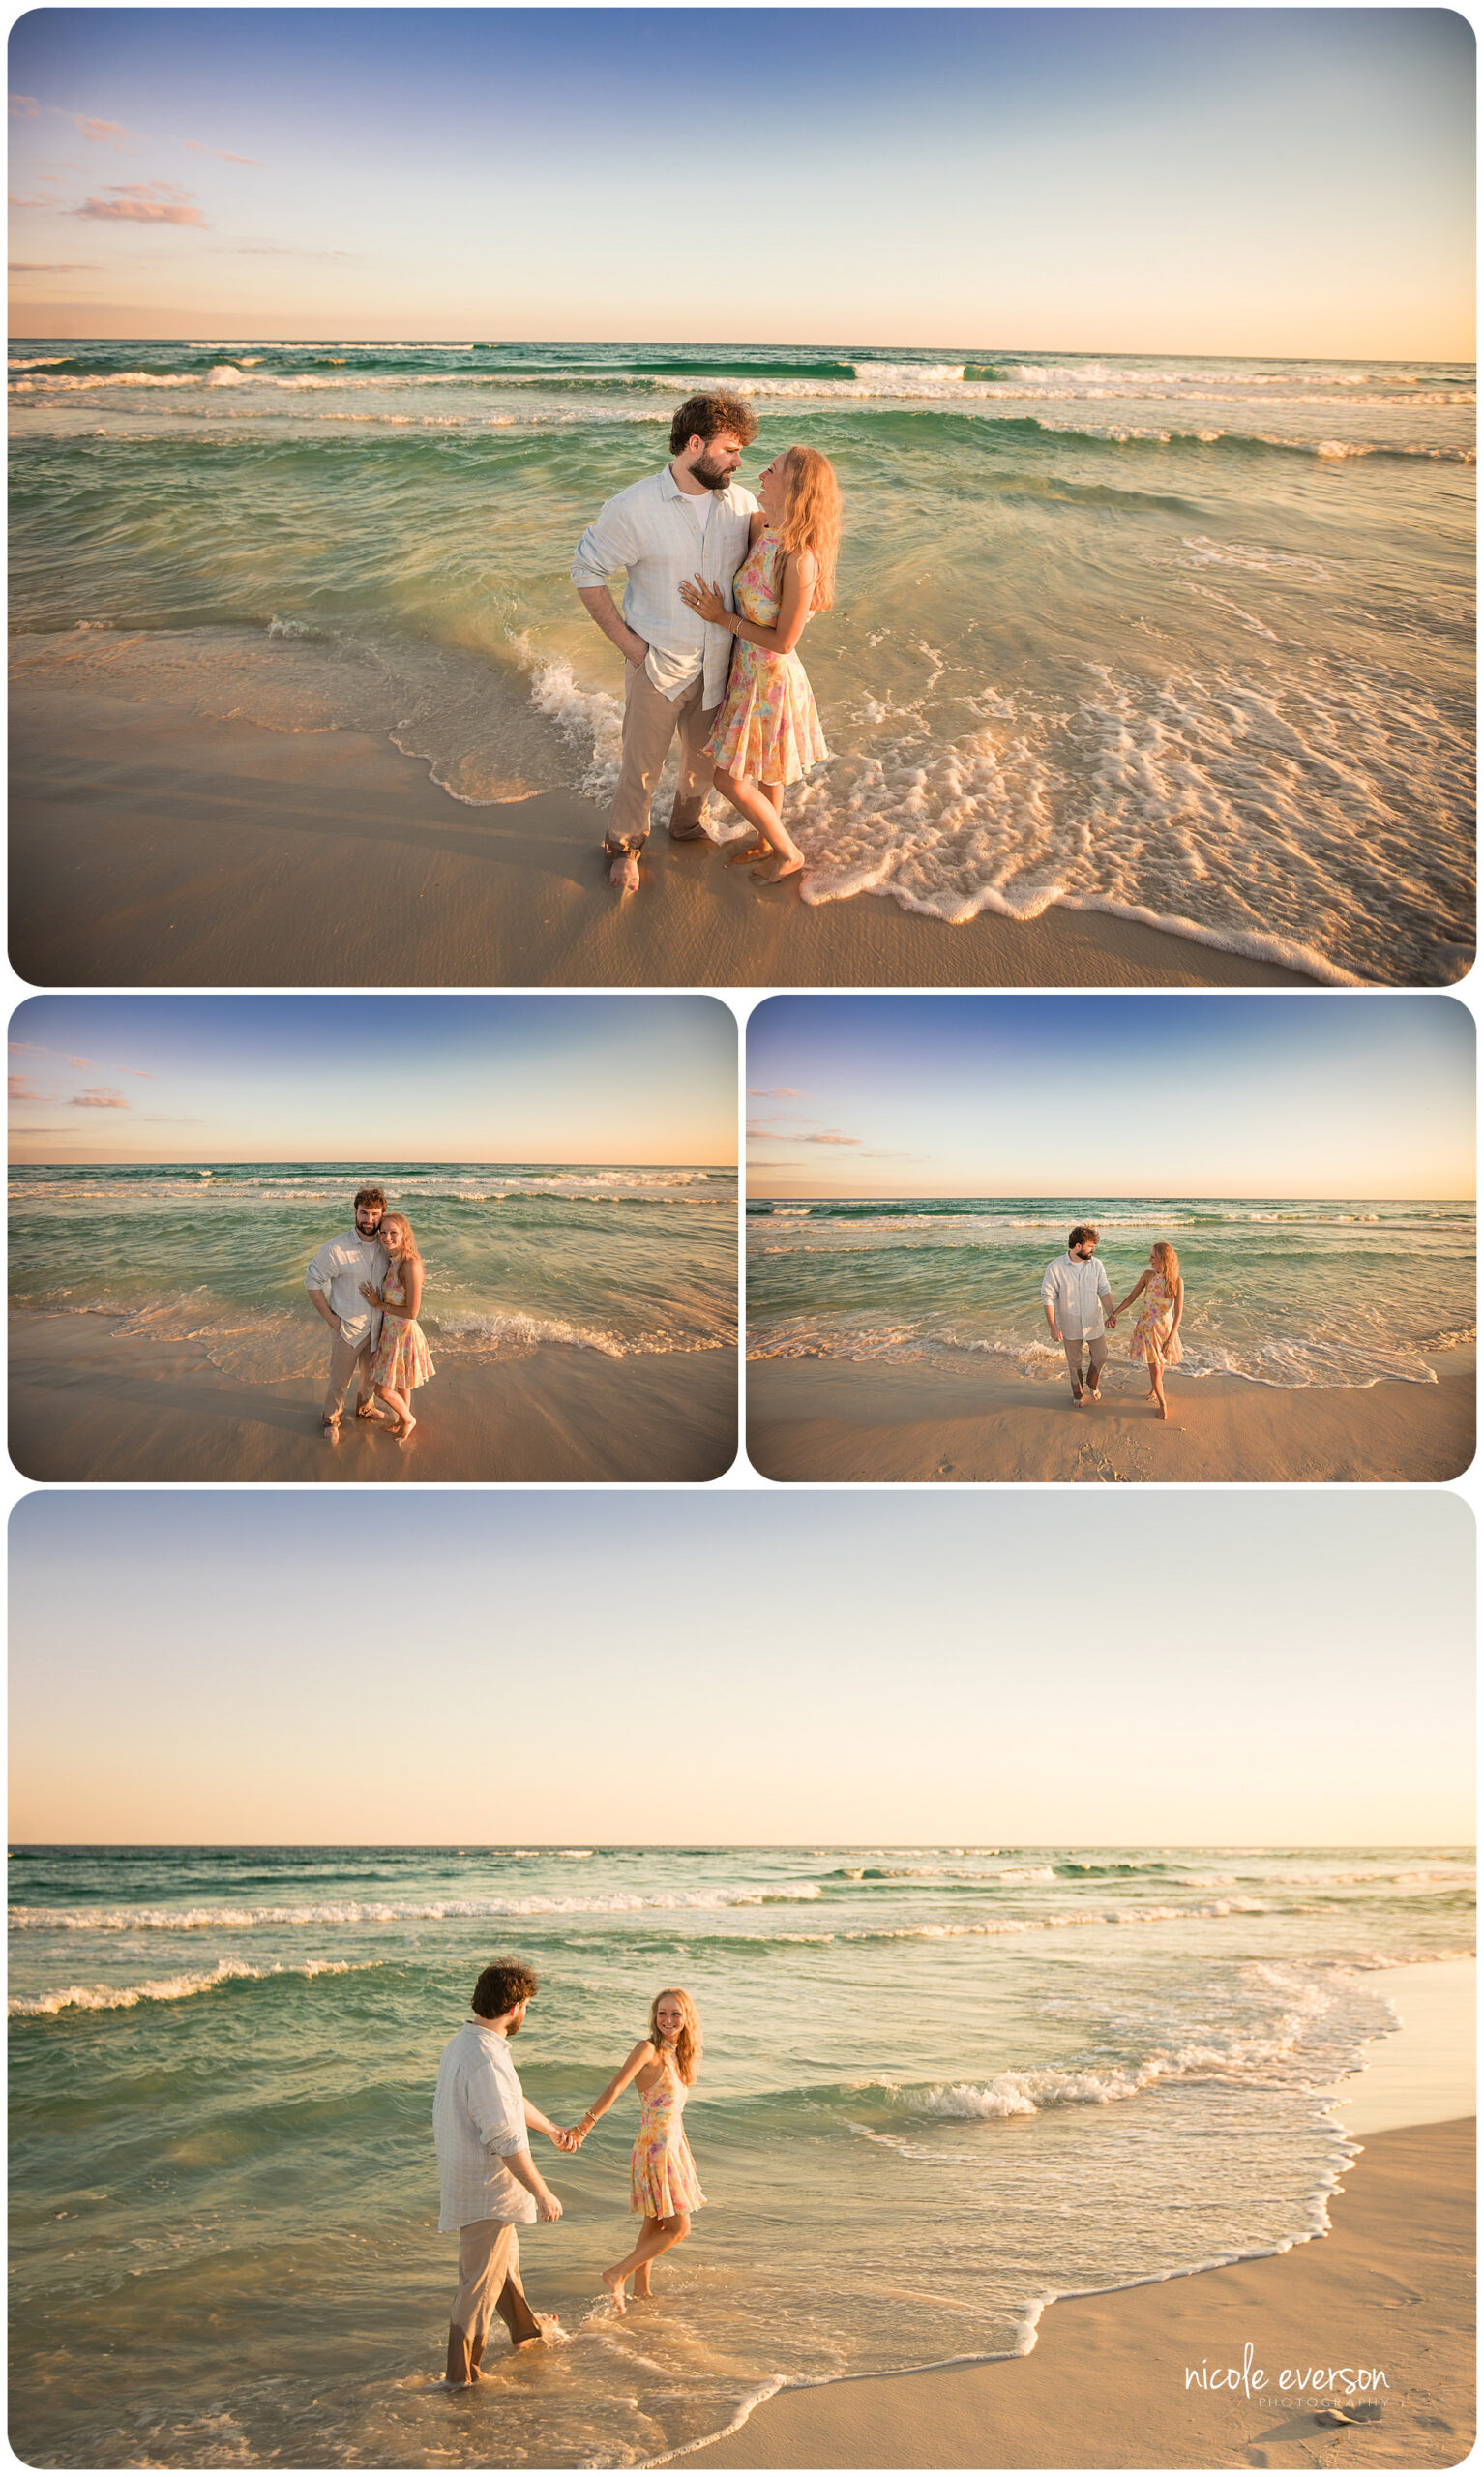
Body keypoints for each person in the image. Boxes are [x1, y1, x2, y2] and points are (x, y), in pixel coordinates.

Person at [572, 392, 760, 893]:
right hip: (656, 664)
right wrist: (629, 646)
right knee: (642, 768)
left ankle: (686, 825)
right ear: (694, 444)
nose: (740, 462)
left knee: (703, 763)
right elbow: (586, 571)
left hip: (718, 665)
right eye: (730, 449)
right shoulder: (633, 507)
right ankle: (625, 847)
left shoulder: (741, 505)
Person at [679, 444, 839, 883]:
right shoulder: (764, 529)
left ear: (795, 488)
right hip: (747, 672)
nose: (761, 476)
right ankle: (768, 839)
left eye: (772, 471)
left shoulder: (799, 559)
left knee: (727, 782)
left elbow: (785, 642)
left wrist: (721, 618)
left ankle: (789, 853)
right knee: (768, 771)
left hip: (769, 679)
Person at [432, 1958, 575, 2387]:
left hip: (474, 2183)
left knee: (504, 2267)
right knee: (477, 2288)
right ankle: (461, 2378)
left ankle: (526, 2333)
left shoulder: (469, 2043)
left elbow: (509, 2104)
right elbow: (504, 2138)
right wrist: (542, 2193)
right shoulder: (486, 2061)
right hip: (487, 2189)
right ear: (514, 2006)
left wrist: (551, 2128)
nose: (526, 2012)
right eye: (527, 2004)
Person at [569, 1988, 705, 2314]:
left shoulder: (677, 2056)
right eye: (662, 2013)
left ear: (687, 2019)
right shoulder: (648, 2050)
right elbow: (615, 2088)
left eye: (675, 2014)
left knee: (655, 2223)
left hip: (672, 2148)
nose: (668, 2020)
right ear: (654, 2017)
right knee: (679, 2228)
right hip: (655, 2150)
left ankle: (642, 2290)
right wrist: (582, 2128)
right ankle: (617, 2273)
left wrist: (686, 2151)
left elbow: (674, 2112)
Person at [305, 1185, 390, 1441]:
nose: (369, 1220)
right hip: (347, 1327)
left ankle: (365, 1409)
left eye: (375, 1214)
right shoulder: (336, 1248)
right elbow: (311, 1281)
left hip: (378, 1327)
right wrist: (332, 1320)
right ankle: (331, 1420)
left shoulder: (389, 1245)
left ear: (383, 1214)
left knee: (370, 1379)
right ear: (355, 1212)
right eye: (364, 1213)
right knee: (339, 1382)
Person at [358, 1211, 435, 1440]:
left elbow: (412, 1312)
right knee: (402, 1383)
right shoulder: (392, 1260)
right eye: (383, 1232)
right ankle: (403, 1422)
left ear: (404, 1234)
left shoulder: (410, 1265)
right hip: (390, 1333)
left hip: (404, 1334)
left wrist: (378, 1304)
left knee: (382, 1389)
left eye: (393, 1232)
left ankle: (409, 1419)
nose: (386, 1237)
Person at [1040, 1223, 1118, 1407]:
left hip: (1094, 1322)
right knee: (1074, 1364)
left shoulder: (1096, 1265)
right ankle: (1078, 1394)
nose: (1094, 1249)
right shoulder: (1055, 1268)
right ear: (1077, 1246)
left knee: (1101, 1356)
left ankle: (1092, 1383)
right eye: (1090, 1245)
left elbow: (1104, 1291)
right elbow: (1048, 1297)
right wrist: (1053, 1326)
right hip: (1070, 1324)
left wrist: (1110, 1314)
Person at [1112, 1240, 1185, 1420]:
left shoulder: (1176, 1282)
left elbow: (1178, 1315)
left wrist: (1170, 1338)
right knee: (1154, 1369)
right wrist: (1114, 1314)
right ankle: (1158, 1396)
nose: (1150, 1259)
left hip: (1165, 1331)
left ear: (1163, 1258)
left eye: (1153, 1256)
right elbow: (1132, 1297)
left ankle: (1160, 1400)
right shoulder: (1148, 1276)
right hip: (1147, 1329)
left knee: (1159, 1367)